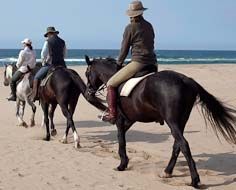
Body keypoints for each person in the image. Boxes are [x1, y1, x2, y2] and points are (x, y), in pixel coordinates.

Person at [102, 0, 157, 123]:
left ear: (131, 15)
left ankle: (112, 114)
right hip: (152, 63)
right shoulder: (149, 25)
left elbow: (124, 49)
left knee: (111, 83)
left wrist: (119, 63)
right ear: (141, 13)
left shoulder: (130, 28)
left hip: (138, 62)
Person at [30, 26, 67, 101]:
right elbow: (65, 54)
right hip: (62, 65)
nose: (47, 36)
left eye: (47, 35)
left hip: (51, 65)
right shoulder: (63, 42)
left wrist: (44, 62)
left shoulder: (48, 42)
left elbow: (43, 54)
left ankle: (34, 95)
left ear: (49, 33)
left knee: (36, 77)